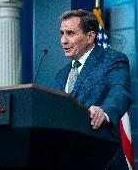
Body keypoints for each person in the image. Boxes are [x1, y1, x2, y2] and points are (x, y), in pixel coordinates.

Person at [54, 9, 133, 169]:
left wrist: (104, 110)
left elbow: (120, 91)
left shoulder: (112, 59)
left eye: (70, 33)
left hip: (103, 159)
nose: (64, 40)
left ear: (90, 36)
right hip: (69, 159)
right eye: (62, 33)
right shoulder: (61, 75)